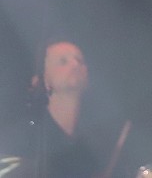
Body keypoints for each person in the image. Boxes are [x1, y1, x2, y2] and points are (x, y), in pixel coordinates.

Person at [0, 40, 102, 178]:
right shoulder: (21, 140)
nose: (75, 64)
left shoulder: (91, 149)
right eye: (63, 61)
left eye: (80, 60)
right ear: (43, 80)